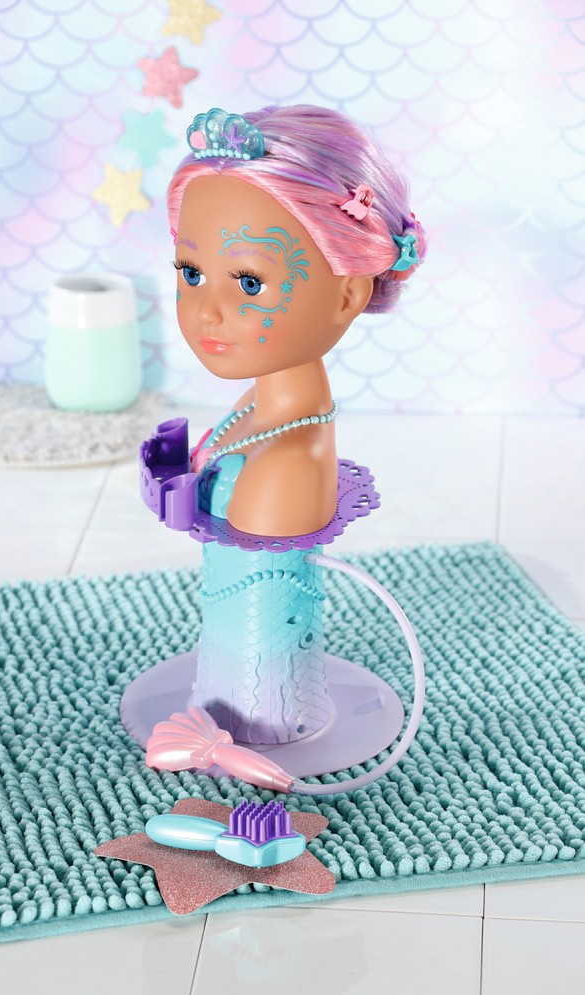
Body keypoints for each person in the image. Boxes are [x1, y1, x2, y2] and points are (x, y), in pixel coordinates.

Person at [163, 105, 426, 746]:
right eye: (192, 273)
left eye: (249, 282)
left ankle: (253, 718)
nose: (207, 310)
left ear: (347, 293)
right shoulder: (256, 411)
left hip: (264, 707)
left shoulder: (285, 461)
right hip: (220, 674)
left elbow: (261, 615)